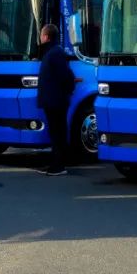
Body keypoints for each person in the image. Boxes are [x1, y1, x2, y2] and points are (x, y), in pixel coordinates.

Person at [36, 23, 75, 176]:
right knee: (55, 132)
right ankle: (56, 163)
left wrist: (65, 92)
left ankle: (59, 165)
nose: (40, 37)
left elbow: (66, 76)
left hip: (56, 101)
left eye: (41, 35)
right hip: (53, 99)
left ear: (46, 36)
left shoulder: (55, 53)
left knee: (57, 132)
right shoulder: (52, 52)